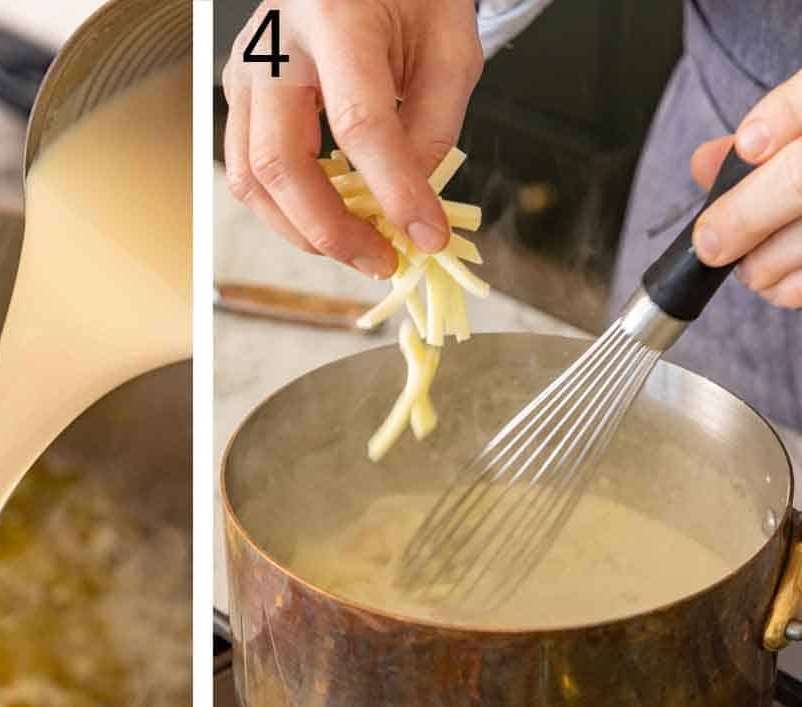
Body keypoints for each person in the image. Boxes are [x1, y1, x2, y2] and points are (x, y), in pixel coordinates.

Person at [222, 0, 802, 428]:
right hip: (734, 140)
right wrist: (271, 26)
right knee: (649, 435)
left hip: (748, 154)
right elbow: (272, 31)